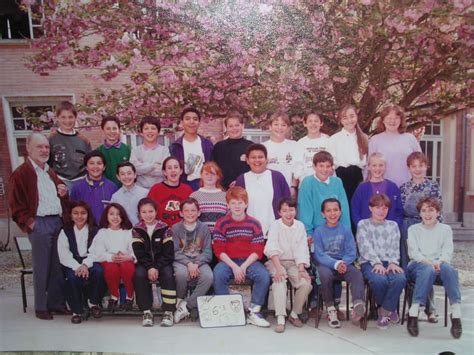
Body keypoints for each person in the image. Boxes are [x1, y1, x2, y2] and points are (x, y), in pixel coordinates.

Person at [9, 132, 68, 320]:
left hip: (56, 222)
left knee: (57, 266)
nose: (44, 150)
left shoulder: (49, 171)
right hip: (39, 223)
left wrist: (64, 193)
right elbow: (16, 205)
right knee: (42, 266)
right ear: (28, 148)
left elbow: (59, 196)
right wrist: (30, 223)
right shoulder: (21, 173)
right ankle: (41, 307)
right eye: (39, 147)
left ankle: (56, 303)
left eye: (46, 147)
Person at [212, 187, 271, 327]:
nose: (237, 206)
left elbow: (258, 249)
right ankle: (227, 311)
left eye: (240, 202)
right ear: (227, 205)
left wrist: (243, 267)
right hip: (228, 261)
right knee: (218, 274)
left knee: (263, 275)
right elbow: (219, 249)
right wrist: (234, 266)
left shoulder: (254, 223)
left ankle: (254, 311)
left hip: (249, 261)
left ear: (246, 204)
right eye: (233, 203)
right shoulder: (221, 223)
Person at [406, 197, 462, 339]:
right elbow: (414, 253)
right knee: (427, 270)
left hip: (440, 264)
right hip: (417, 265)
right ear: (420, 214)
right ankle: (414, 311)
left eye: (431, 210)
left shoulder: (445, 229)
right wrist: (430, 263)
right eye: (424, 210)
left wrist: (440, 262)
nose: (427, 214)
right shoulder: (413, 229)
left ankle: (456, 312)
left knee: (450, 270)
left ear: (438, 212)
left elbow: (447, 250)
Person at [400, 152, 443, 319]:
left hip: (428, 229)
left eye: (421, 165)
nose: (417, 169)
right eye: (414, 166)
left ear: (426, 166)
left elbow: (439, 210)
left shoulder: (433, 187)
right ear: (409, 168)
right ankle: (413, 308)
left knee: (427, 267)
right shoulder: (404, 187)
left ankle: (430, 309)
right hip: (408, 229)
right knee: (411, 267)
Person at [313, 198, 366, 328]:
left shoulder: (346, 230)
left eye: (335, 210)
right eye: (328, 211)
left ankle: (358, 303)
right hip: (326, 265)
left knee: (357, 274)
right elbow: (319, 255)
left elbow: (351, 251)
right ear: (323, 214)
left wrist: (343, 263)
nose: (332, 213)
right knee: (324, 275)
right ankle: (331, 309)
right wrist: (335, 264)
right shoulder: (318, 231)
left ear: (340, 212)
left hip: (344, 264)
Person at [356, 194, 406, 330]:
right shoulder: (363, 224)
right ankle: (390, 309)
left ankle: (384, 310)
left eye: (384, 208)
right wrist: (376, 263)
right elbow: (364, 246)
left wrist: (393, 262)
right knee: (379, 280)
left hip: (389, 261)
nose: (381, 211)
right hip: (369, 262)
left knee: (400, 278)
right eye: (377, 207)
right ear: (370, 208)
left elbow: (395, 246)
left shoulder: (393, 225)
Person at [264, 198, 312, 333]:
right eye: (284, 210)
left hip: (294, 262)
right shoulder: (275, 225)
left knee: (305, 283)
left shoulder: (300, 226)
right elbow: (272, 247)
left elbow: (302, 248)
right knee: (279, 280)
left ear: (295, 211)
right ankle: (280, 318)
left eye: (291, 210)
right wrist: (279, 269)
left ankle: (294, 314)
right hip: (276, 261)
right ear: (279, 212)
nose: (288, 213)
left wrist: (302, 269)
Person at [57, 200, 106, 324]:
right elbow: (64, 255)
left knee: (99, 271)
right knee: (71, 278)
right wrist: (77, 266)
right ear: (71, 215)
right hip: (72, 262)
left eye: (83, 213)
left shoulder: (95, 230)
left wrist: (85, 264)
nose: (79, 216)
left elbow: (96, 251)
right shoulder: (65, 231)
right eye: (76, 213)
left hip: (90, 260)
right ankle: (77, 311)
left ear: (88, 215)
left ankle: (93, 302)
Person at [132, 198, 177, 327]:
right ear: (139, 214)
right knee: (139, 275)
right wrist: (150, 267)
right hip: (145, 263)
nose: (148, 215)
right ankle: (146, 311)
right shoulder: (137, 229)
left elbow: (168, 253)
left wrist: (156, 267)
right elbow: (139, 253)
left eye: (151, 211)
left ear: (156, 211)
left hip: (162, 263)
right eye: (144, 212)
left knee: (168, 274)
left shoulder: (164, 228)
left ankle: (168, 311)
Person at [172, 198, 213, 323]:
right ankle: (180, 298)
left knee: (208, 276)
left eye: (193, 210)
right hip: (181, 261)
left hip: (199, 261)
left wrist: (196, 263)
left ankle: (186, 305)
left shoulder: (204, 228)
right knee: (181, 274)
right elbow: (174, 251)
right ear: (181, 213)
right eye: (186, 211)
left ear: (199, 212)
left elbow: (207, 252)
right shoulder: (175, 228)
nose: (190, 213)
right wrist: (189, 263)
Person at [235, 144, 290, 235]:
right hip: (249, 232)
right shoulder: (242, 179)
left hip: (275, 231)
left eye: (260, 157)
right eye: (253, 157)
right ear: (247, 160)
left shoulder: (277, 177)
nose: (257, 160)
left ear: (266, 160)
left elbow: (287, 203)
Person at [89, 203, 135, 313]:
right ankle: (114, 296)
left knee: (127, 267)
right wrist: (112, 257)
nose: (115, 217)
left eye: (118, 214)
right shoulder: (102, 232)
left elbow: (135, 249)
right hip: (109, 260)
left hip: (126, 260)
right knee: (111, 269)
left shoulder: (129, 232)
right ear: (106, 216)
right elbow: (98, 252)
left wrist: (128, 257)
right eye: (111, 214)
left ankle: (129, 296)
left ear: (123, 217)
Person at [298, 151, 351, 240]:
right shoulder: (307, 183)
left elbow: (344, 208)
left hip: (336, 231)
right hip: (316, 232)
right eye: (321, 166)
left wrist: (346, 231)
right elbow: (305, 210)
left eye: (328, 166)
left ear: (332, 168)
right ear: (314, 166)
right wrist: (308, 233)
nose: (325, 169)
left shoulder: (337, 182)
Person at [368, 104, 421, 187]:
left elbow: (420, 163)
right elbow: (368, 167)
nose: (392, 121)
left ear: (401, 120)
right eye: (389, 118)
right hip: (383, 189)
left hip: (408, 188)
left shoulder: (410, 139)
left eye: (396, 118)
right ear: (383, 120)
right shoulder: (375, 140)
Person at [328, 105, 368, 211]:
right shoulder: (334, 139)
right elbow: (331, 165)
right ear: (340, 120)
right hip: (341, 178)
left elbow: (366, 164)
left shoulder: (364, 138)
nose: (349, 120)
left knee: (358, 208)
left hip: (358, 179)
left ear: (357, 117)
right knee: (344, 209)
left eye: (352, 116)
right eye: (345, 118)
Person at [351, 152, 403, 229]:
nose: (377, 168)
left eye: (381, 165)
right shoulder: (362, 188)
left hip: (388, 232)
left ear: (385, 167)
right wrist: (362, 228)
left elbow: (399, 211)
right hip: (367, 231)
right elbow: (355, 211)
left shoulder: (393, 187)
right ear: (368, 167)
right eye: (374, 165)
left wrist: (394, 227)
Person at [48, 101, 91, 190]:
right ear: (57, 118)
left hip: (80, 182)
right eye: (63, 117)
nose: (67, 121)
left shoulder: (84, 140)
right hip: (60, 183)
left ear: (75, 118)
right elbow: (46, 165)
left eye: (70, 117)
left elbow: (89, 163)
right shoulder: (50, 139)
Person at [170, 107, 214, 190]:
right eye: (187, 119)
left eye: (195, 119)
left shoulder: (207, 144)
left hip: (205, 185)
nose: (191, 122)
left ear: (199, 122)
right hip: (184, 186)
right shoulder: (175, 146)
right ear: (182, 122)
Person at [70, 151, 118, 225]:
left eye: (99, 163)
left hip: (106, 230)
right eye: (91, 163)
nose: (95, 166)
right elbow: (72, 211)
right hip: (85, 230)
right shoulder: (77, 187)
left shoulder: (112, 187)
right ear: (86, 167)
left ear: (104, 167)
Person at [262, 111, 304, 196]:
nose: (279, 128)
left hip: (287, 188)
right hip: (267, 189)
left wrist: (293, 187)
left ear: (288, 128)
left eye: (283, 125)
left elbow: (297, 168)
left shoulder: (294, 145)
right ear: (270, 127)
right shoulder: (263, 147)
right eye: (276, 124)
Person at [210, 111, 253, 189]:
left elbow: (255, 170)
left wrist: (240, 181)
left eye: (237, 125)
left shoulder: (251, 147)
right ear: (226, 127)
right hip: (222, 191)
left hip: (245, 189)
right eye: (231, 126)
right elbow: (214, 170)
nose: (234, 128)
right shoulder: (219, 147)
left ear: (243, 126)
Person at [148, 156, 193, 226]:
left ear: (181, 171)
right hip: (162, 231)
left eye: (176, 167)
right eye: (169, 168)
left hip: (183, 231)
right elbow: (149, 212)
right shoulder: (155, 189)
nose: (173, 170)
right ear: (164, 172)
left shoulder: (188, 190)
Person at [129, 115, 170, 189]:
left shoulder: (164, 150)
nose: (150, 131)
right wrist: (154, 166)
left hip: (160, 189)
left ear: (158, 132)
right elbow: (134, 170)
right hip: (140, 190)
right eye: (146, 128)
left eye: (153, 128)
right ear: (141, 132)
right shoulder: (135, 150)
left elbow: (164, 171)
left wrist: (143, 168)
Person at [190, 162, 228, 233]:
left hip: (220, 238)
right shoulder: (194, 196)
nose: (209, 177)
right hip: (200, 238)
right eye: (206, 174)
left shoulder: (225, 196)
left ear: (218, 176)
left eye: (213, 174)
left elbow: (229, 219)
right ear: (201, 175)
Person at [97, 115, 131, 187]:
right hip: (105, 189)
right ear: (103, 130)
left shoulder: (128, 149)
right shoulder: (98, 151)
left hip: (125, 188)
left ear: (119, 130)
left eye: (114, 128)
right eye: (108, 128)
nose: (112, 131)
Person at [297, 111, 330, 182]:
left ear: (321, 123)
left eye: (316, 121)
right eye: (310, 121)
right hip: (307, 182)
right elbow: (298, 165)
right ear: (305, 123)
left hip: (325, 181)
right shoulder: (300, 143)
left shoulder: (328, 140)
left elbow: (333, 163)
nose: (313, 123)